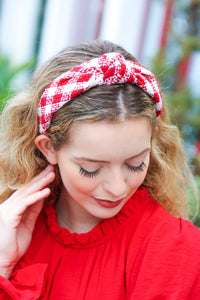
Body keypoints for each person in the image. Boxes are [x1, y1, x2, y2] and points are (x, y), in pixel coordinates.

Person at [0, 39, 199, 300]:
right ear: (49, 148)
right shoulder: (11, 231)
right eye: (91, 169)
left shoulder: (174, 249)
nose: (117, 187)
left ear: (153, 140)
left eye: (135, 163)